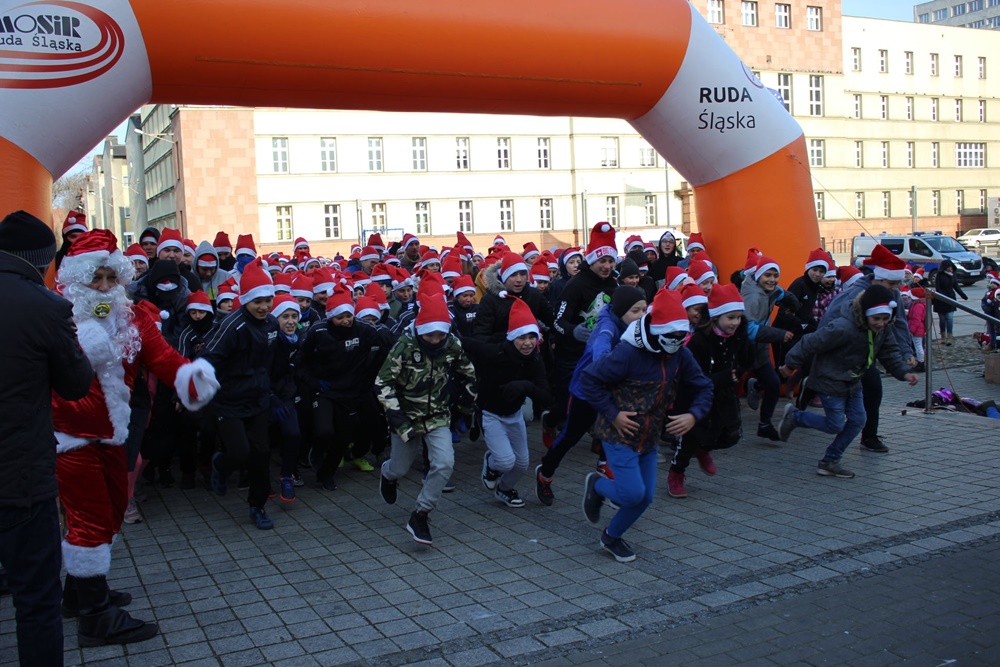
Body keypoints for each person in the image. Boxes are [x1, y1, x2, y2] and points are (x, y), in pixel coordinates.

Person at [51, 229, 218, 646]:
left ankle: (77, 594)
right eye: (96, 278)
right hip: (70, 436)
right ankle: (95, 619)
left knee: (110, 512)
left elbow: (160, 355)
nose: (105, 286)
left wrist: (188, 377)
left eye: (112, 277)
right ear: (77, 280)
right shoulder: (57, 318)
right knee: (88, 519)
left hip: (114, 431)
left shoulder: (133, 316)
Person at [0, 211, 94, 666]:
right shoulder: (45, 307)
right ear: (43, 260)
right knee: (36, 600)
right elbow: (75, 384)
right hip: (20, 476)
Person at [578, 289, 713, 562]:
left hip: (649, 437)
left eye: (681, 336)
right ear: (657, 330)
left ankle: (611, 536)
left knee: (645, 497)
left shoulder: (680, 354)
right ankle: (598, 486)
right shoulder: (628, 353)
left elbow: (704, 387)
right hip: (618, 433)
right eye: (671, 336)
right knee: (632, 493)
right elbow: (589, 380)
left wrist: (693, 415)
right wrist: (613, 413)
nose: (676, 342)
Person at [778, 285, 919, 478]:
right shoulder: (843, 327)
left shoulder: (884, 329)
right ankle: (795, 417)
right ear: (866, 314)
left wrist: (904, 372)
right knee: (835, 424)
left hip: (853, 381)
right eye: (876, 318)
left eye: (885, 318)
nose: (881, 323)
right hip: (829, 380)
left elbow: (890, 353)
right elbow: (810, 342)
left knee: (858, 421)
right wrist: (790, 365)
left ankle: (830, 461)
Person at [376, 278, 477, 545]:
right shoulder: (404, 346)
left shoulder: (452, 344)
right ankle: (388, 475)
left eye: (440, 335)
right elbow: (383, 383)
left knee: (444, 463)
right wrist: (397, 418)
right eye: (430, 335)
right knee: (400, 467)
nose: (435, 340)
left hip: (438, 415)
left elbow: (468, 373)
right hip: (406, 417)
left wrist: (466, 405)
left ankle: (421, 514)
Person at [535, 285, 647, 505]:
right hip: (587, 390)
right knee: (571, 436)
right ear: (620, 311)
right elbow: (600, 351)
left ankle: (606, 468)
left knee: (618, 429)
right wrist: (614, 366)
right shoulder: (607, 328)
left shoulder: (635, 324)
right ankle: (545, 472)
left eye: (644, 309)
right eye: (636, 311)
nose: (642, 315)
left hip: (615, 389)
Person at [202, 260, 279, 530]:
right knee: (239, 452)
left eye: (268, 300)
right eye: (258, 301)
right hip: (229, 401)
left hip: (258, 400)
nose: (264, 307)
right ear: (245, 299)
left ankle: (257, 506)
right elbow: (208, 357)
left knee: (261, 453)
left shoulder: (272, 324)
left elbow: (273, 361)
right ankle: (221, 466)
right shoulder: (231, 325)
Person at [819, 245, 915, 453]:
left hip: (867, 354)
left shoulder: (893, 294)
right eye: (891, 283)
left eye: (898, 284)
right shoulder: (854, 294)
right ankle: (803, 408)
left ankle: (869, 435)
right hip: (843, 354)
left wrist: (906, 352)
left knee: (873, 389)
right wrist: (824, 352)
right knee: (838, 396)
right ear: (878, 279)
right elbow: (828, 322)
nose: (895, 288)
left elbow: (899, 324)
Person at [464, 298, 551, 508]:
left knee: (521, 464)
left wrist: (525, 386)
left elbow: (546, 397)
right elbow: (467, 343)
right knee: (505, 461)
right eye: (522, 337)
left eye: (532, 337)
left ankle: (504, 489)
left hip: (514, 414)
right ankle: (491, 463)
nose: (528, 343)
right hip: (490, 414)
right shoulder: (495, 352)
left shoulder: (535, 360)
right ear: (513, 337)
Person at [667, 284, 751, 498]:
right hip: (694, 396)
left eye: (738, 317)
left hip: (723, 394)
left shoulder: (739, 335)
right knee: (689, 439)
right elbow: (693, 377)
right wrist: (725, 377)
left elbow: (745, 358)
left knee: (729, 435)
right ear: (715, 317)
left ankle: (703, 448)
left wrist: (740, 371)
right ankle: (676, 474)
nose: (735, 323)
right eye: (730, 318)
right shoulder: (699, 341)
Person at [546, 223, 618, 442]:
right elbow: (557, 321)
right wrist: (573, 331)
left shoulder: (614, 286)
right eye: (602, 261)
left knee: (600, 397)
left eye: (611, 261)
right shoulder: (575, 285)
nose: (607, 266)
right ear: (593, 260)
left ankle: (599, 439)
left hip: (598, 354)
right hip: (571, 354)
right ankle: (550, 422)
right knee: (565, 403)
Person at [742, 256, 796, 441]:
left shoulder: (769, 290)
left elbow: (781, 293)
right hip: (743, 350)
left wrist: (793, 303)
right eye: (768, 275)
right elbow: (749, 330)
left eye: (775, 275)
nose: (772, 279)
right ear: (758, 276)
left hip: (760, 349)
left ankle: (764, 425)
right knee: (726, 390)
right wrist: (779, 334)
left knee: (773, 384)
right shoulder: (753, 297)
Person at [933, 259, 968, 346]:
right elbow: (938, 288)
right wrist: (943, 297)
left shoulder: (953, 274)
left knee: (949, 318)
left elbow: (956, 286)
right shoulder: (939, 275)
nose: (950, 269)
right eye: (948, 267)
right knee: (942, 319)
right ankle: (943, 337)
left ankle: (949, 337)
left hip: (951, 298)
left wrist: (962, 295)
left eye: (951, 267)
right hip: (941, 300)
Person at [908, 287, 928, 372]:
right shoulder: (921, 304)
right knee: (919, 346)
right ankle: (921, 362)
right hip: (920, 328)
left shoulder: (918, 306)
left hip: (917, 329)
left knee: (918, 346)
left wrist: (911, 330)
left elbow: (916, 319)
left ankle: (921, 363)